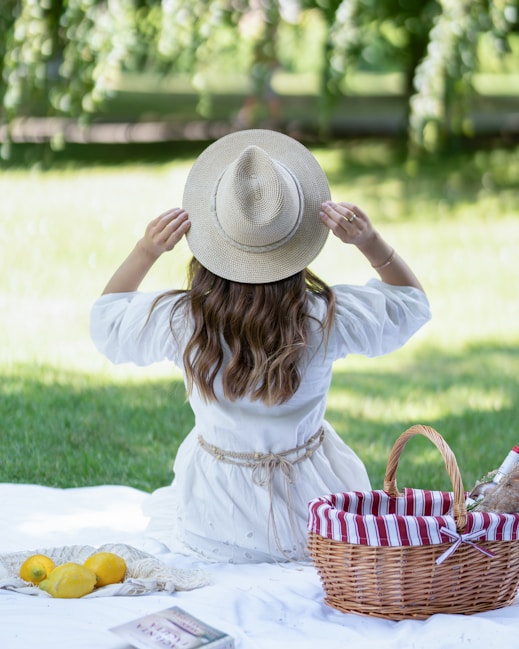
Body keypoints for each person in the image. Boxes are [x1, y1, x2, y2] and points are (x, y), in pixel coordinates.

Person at [90, 129, 431, 563]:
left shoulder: (184, 320)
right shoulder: (326, 315)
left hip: (216, 513)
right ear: (297, 241)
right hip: (314, 512)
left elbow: (107, 322)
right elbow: (411, 304)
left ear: (210, 239)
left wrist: (145, 250)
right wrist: (371, 244)